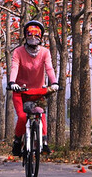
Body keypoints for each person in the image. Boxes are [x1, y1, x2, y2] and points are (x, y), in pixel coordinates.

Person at [8, 20, 59, 156]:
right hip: (20, 91)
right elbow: (14, 67)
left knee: (40, 112)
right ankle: (18, 141)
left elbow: (49, 68)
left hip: (38, 91)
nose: (33, 38)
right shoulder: (18, 52)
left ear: (41, 37)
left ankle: (44, 142)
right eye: (29, 35)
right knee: (23, 117)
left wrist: (54, 82)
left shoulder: (45, 52)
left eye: (36, 35)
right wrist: (12, 82)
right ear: (25, 36)